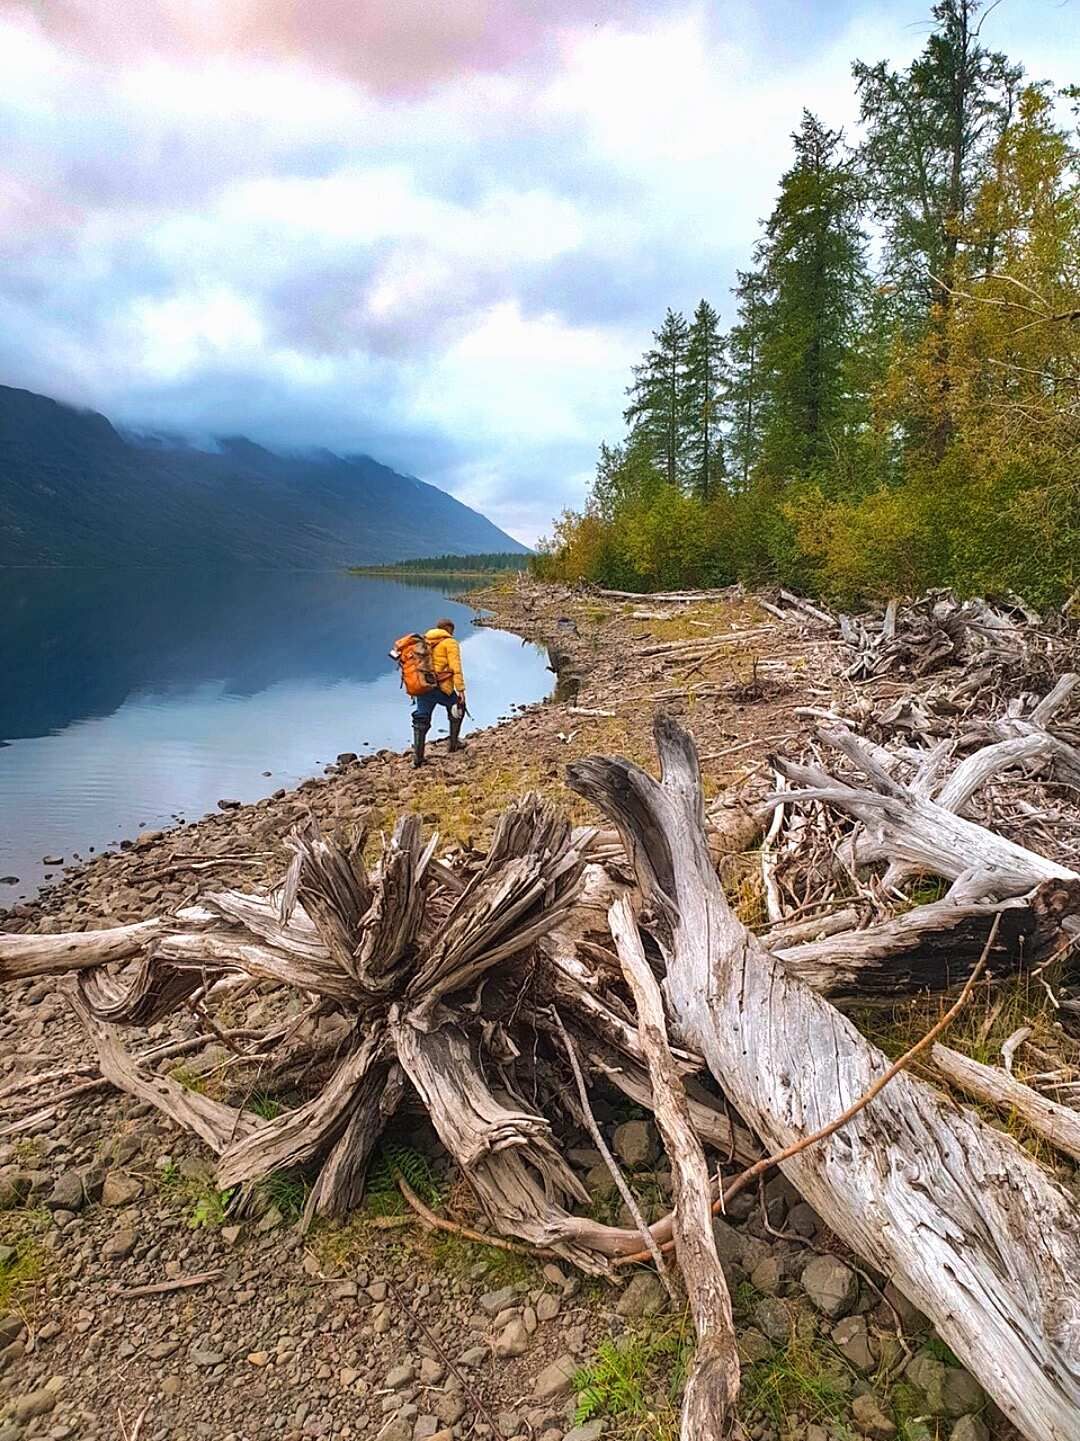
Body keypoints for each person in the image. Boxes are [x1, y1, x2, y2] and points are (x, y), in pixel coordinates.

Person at [411, 618, 467, 768]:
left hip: (423, 685)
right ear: (449, 629)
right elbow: (456, 667)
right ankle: (453, 744)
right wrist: (461, 690)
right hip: (441, 687)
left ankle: (418, 758)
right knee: (458, 708)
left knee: (421, 718)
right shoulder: (450, 643)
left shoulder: (425, 640)